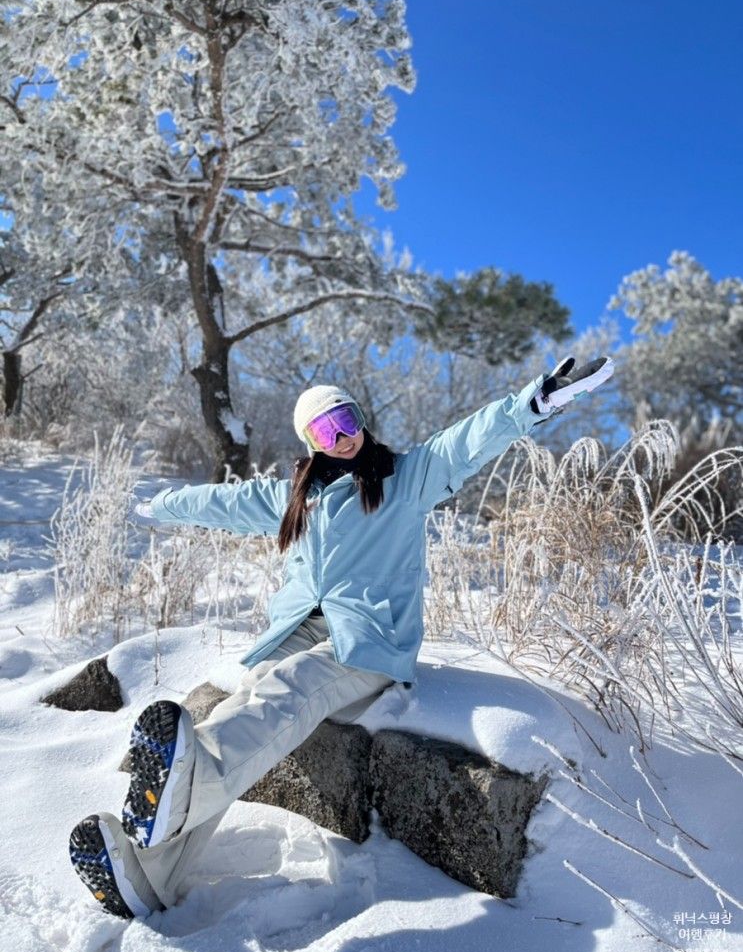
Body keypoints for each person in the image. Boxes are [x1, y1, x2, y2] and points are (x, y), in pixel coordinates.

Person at [69, 356, 614, 918]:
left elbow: (466, 441)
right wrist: (158, 504)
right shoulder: (297, 498)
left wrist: (534, 402)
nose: (345, 436)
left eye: (349, 420)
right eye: (328, 430)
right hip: (299, 628)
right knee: (239, 710)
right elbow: (221, 503)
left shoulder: (406, 479)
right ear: (311, 441)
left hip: (371, 641)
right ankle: (155, 870)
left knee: (291, 686)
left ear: (361, 419)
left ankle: (182, 792)